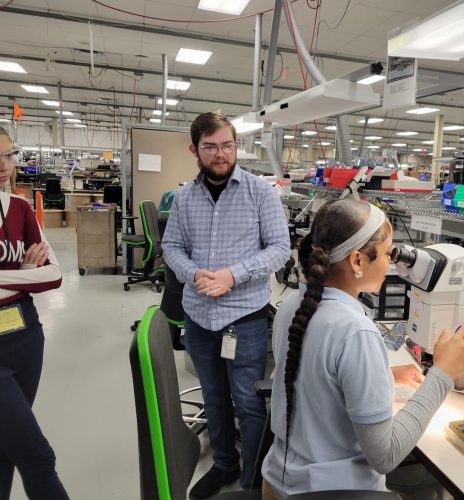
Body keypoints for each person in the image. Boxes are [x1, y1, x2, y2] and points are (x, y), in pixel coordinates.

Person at [261, 199, 464, 499]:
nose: (391, 263)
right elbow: (386, 455)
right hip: (334, 493)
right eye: (387, 253)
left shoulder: (293, 305)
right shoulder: (355, 331)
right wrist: (442, 374)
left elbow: (317, 380)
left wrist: (386, 376)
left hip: (279, 482)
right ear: (357, 261)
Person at [162, 112, 290, 499]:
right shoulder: (184, 197)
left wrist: (233, 275)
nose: (220, 154)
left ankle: (251, 479)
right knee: (214, 397)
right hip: (199, 317)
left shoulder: (260, 192)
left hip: (244, 319)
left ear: (237, 146)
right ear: (195, 149)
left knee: (248, 403)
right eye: (211, 147)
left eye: (227, 145)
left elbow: (280, 249)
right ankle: (224, 465)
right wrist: (193, 273)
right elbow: (171, 247)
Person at [0, 127, 68, 499]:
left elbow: (54, 275)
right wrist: (23, 275)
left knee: (5, 451)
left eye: (9, 155)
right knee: (36, 456)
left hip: (24, 338)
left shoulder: (21, 208)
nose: (4, 165)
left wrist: (31, 276)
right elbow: (35, 277)